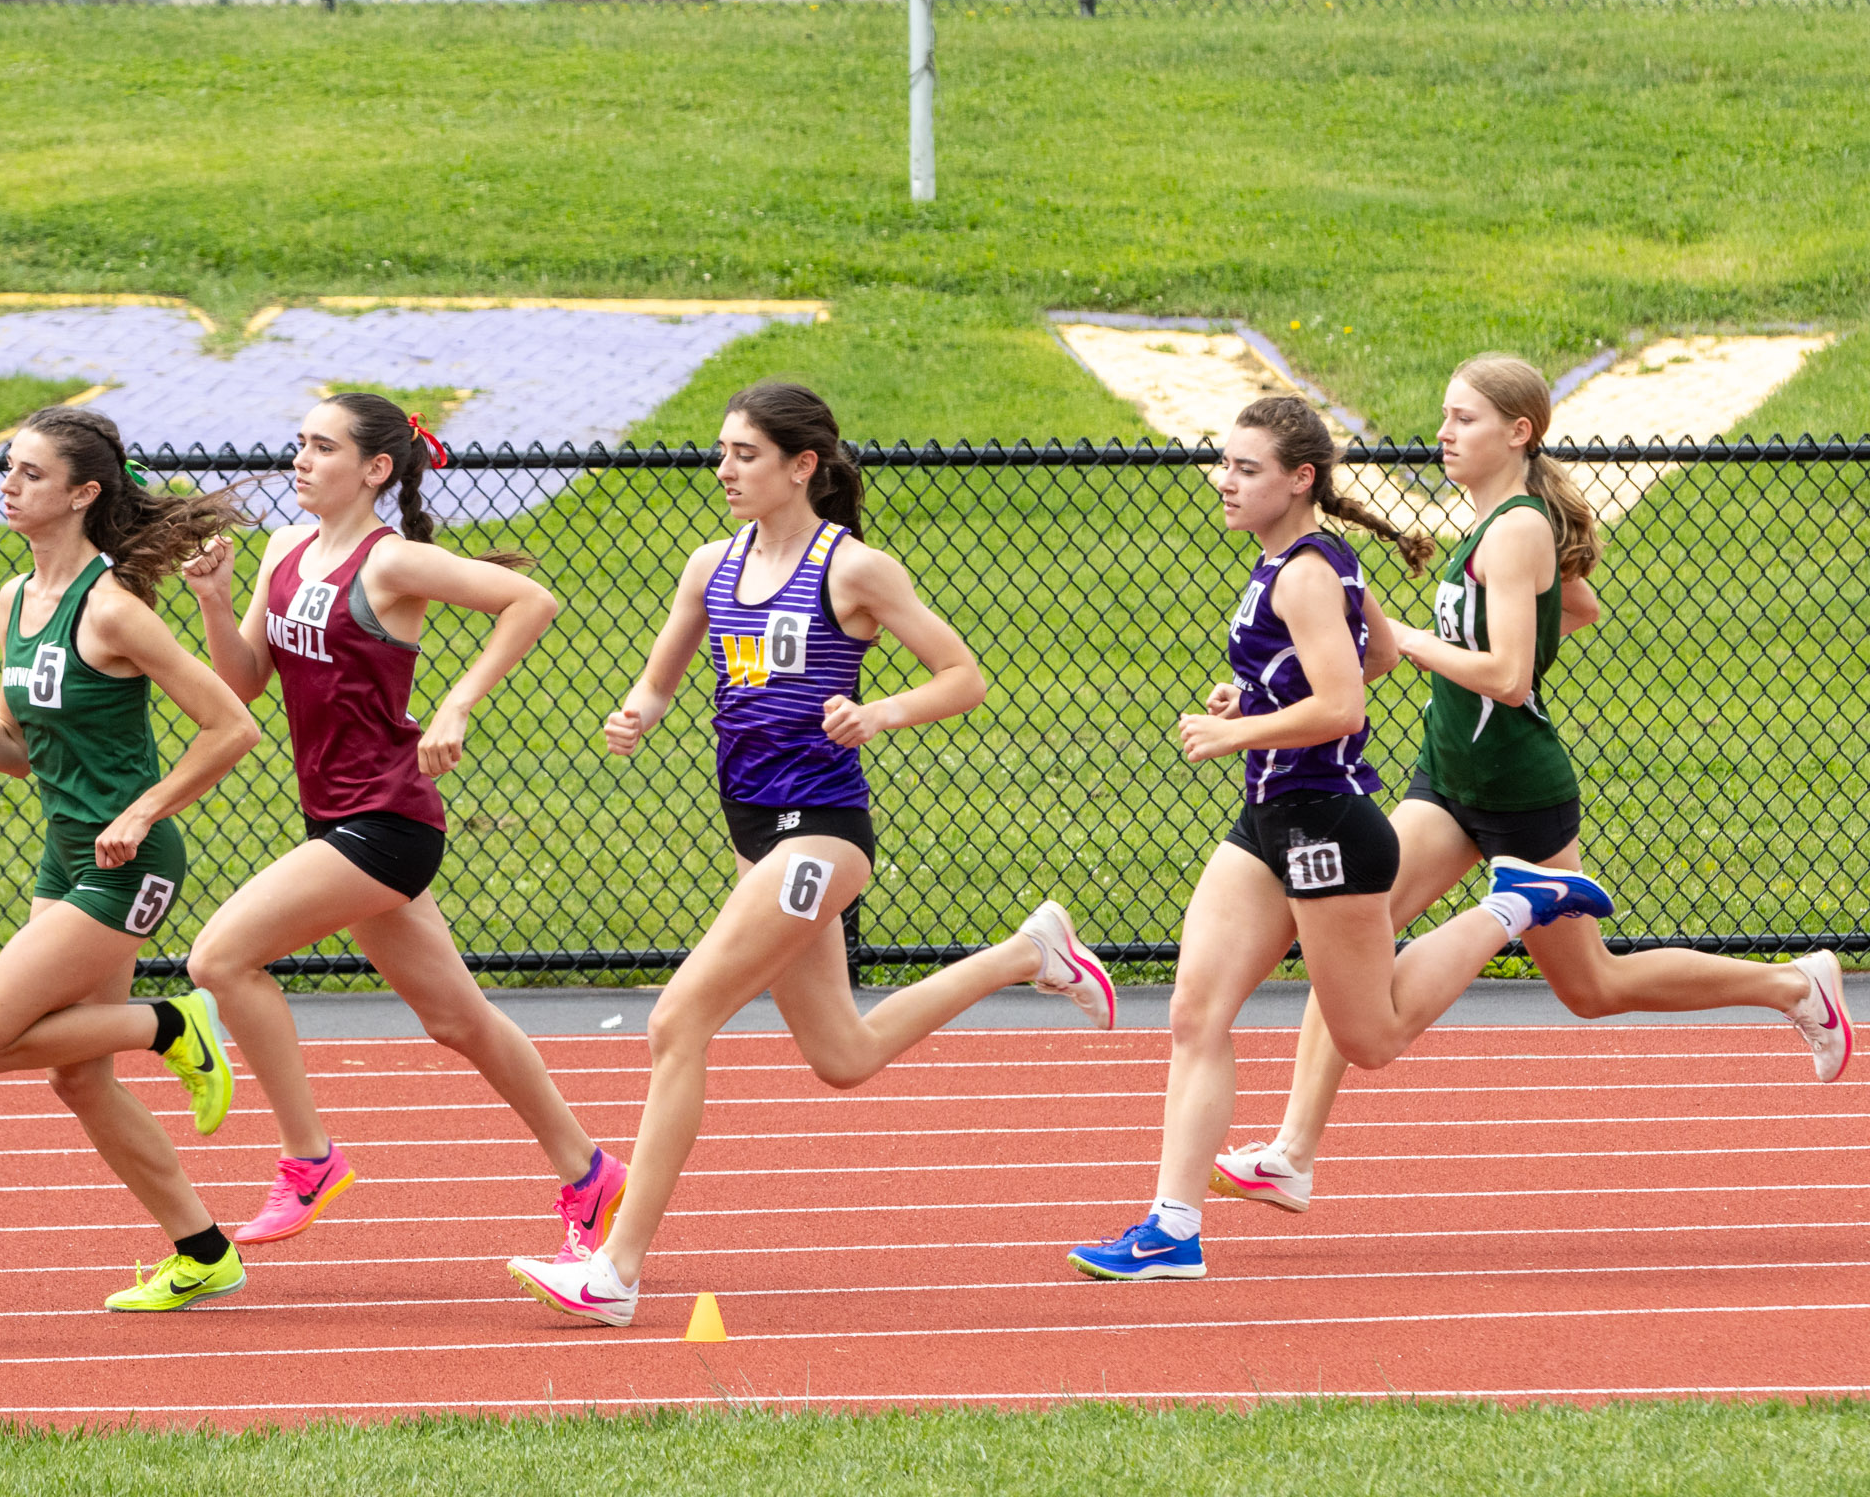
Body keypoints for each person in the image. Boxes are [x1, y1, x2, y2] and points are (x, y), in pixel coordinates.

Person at [507, 381, 1117, 1328]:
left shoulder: (856, 572)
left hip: (823, 834)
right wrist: (639, 712)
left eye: (744, 455)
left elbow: (963, 677)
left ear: (801, 466)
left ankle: (615, 1271)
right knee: (845, 1054)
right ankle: (1030, 954)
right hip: (757, 838)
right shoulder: (710, 566)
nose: (723, 471)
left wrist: (881, 712)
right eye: (720, 452)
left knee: (678, 1020)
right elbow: (665, 672)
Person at [1214, 355, 1855, 1215]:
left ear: (1517, 433)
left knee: (1590, 989)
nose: (1443, 433)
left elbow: (1511, 677)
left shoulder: (1514, 528)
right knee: (1358, 952)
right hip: (1448, 778)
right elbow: (1576, 605)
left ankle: (1794, 986)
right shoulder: (1499, 524)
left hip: (1517, 786)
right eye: (1444, 416)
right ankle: (1292, 1152)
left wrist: (1405, 638)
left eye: (1464, 419)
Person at [1065, 394, 1617, 1282]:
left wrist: (1236, 733)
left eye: (1245, 469)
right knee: (1195, 1010)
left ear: (1299, 479)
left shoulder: (1306, 573)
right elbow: (1379, 656)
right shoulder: (1288, 560)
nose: (1225, 481)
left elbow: (1345, 706)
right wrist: (1254, 700)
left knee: (1372, 1038)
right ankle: (1173, 1228)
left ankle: (1516, 905)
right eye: (1226, 464)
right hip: (1267, 820)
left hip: (1326, 820)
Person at [180, 392, 628, 1257]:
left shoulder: (392, 565)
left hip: (387, 820)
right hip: (336, 819)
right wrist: (212, 599)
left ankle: (309, 1161)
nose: (301, 460)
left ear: (376, 469)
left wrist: (458, 701)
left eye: (322, 446)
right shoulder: (283, 549)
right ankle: (589, 1171)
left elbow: (530, 601)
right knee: (459, 1022)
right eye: (298, 444)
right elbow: (241, 686)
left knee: (220, 958)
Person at [0, 406, 262, 1313]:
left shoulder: (112, 611)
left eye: (29, 473)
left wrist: (143, 810)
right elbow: (20, 750)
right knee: (74, 1075)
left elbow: (233, 727)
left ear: (82, 494)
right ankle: (204, 1250)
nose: (9, 485)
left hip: (131, 860)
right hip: (64, 854)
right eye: (9, 469)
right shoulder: (13, 601)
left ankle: (173, 1025)